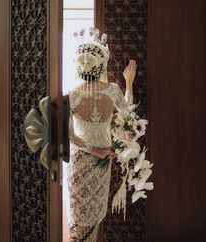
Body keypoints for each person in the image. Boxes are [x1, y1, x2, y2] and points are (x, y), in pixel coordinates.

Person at [66, 27, 137, 242]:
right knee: (92, 213)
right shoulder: (113, 90)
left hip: (82, 160)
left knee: (78, 216)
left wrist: (93, 150)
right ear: (102, 65)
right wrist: (129, 83)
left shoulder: (72, 94)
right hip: (102, 160)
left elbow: (69, 136)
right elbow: (128, 114)